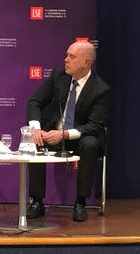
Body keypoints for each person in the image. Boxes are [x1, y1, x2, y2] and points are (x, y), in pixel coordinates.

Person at [26, 40, 111, 221]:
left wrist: (64, 134)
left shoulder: (101, 90)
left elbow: (94, 126)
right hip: (53, 133)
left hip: (80, 137)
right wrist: (36, 129)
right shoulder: (59, 76)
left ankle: (80, 202)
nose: (66, 60)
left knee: (90, 144)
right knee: (37, 141)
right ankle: (37, 201)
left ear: (86, 62)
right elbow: (35, 102)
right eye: (67, 55)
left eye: (71, 57)